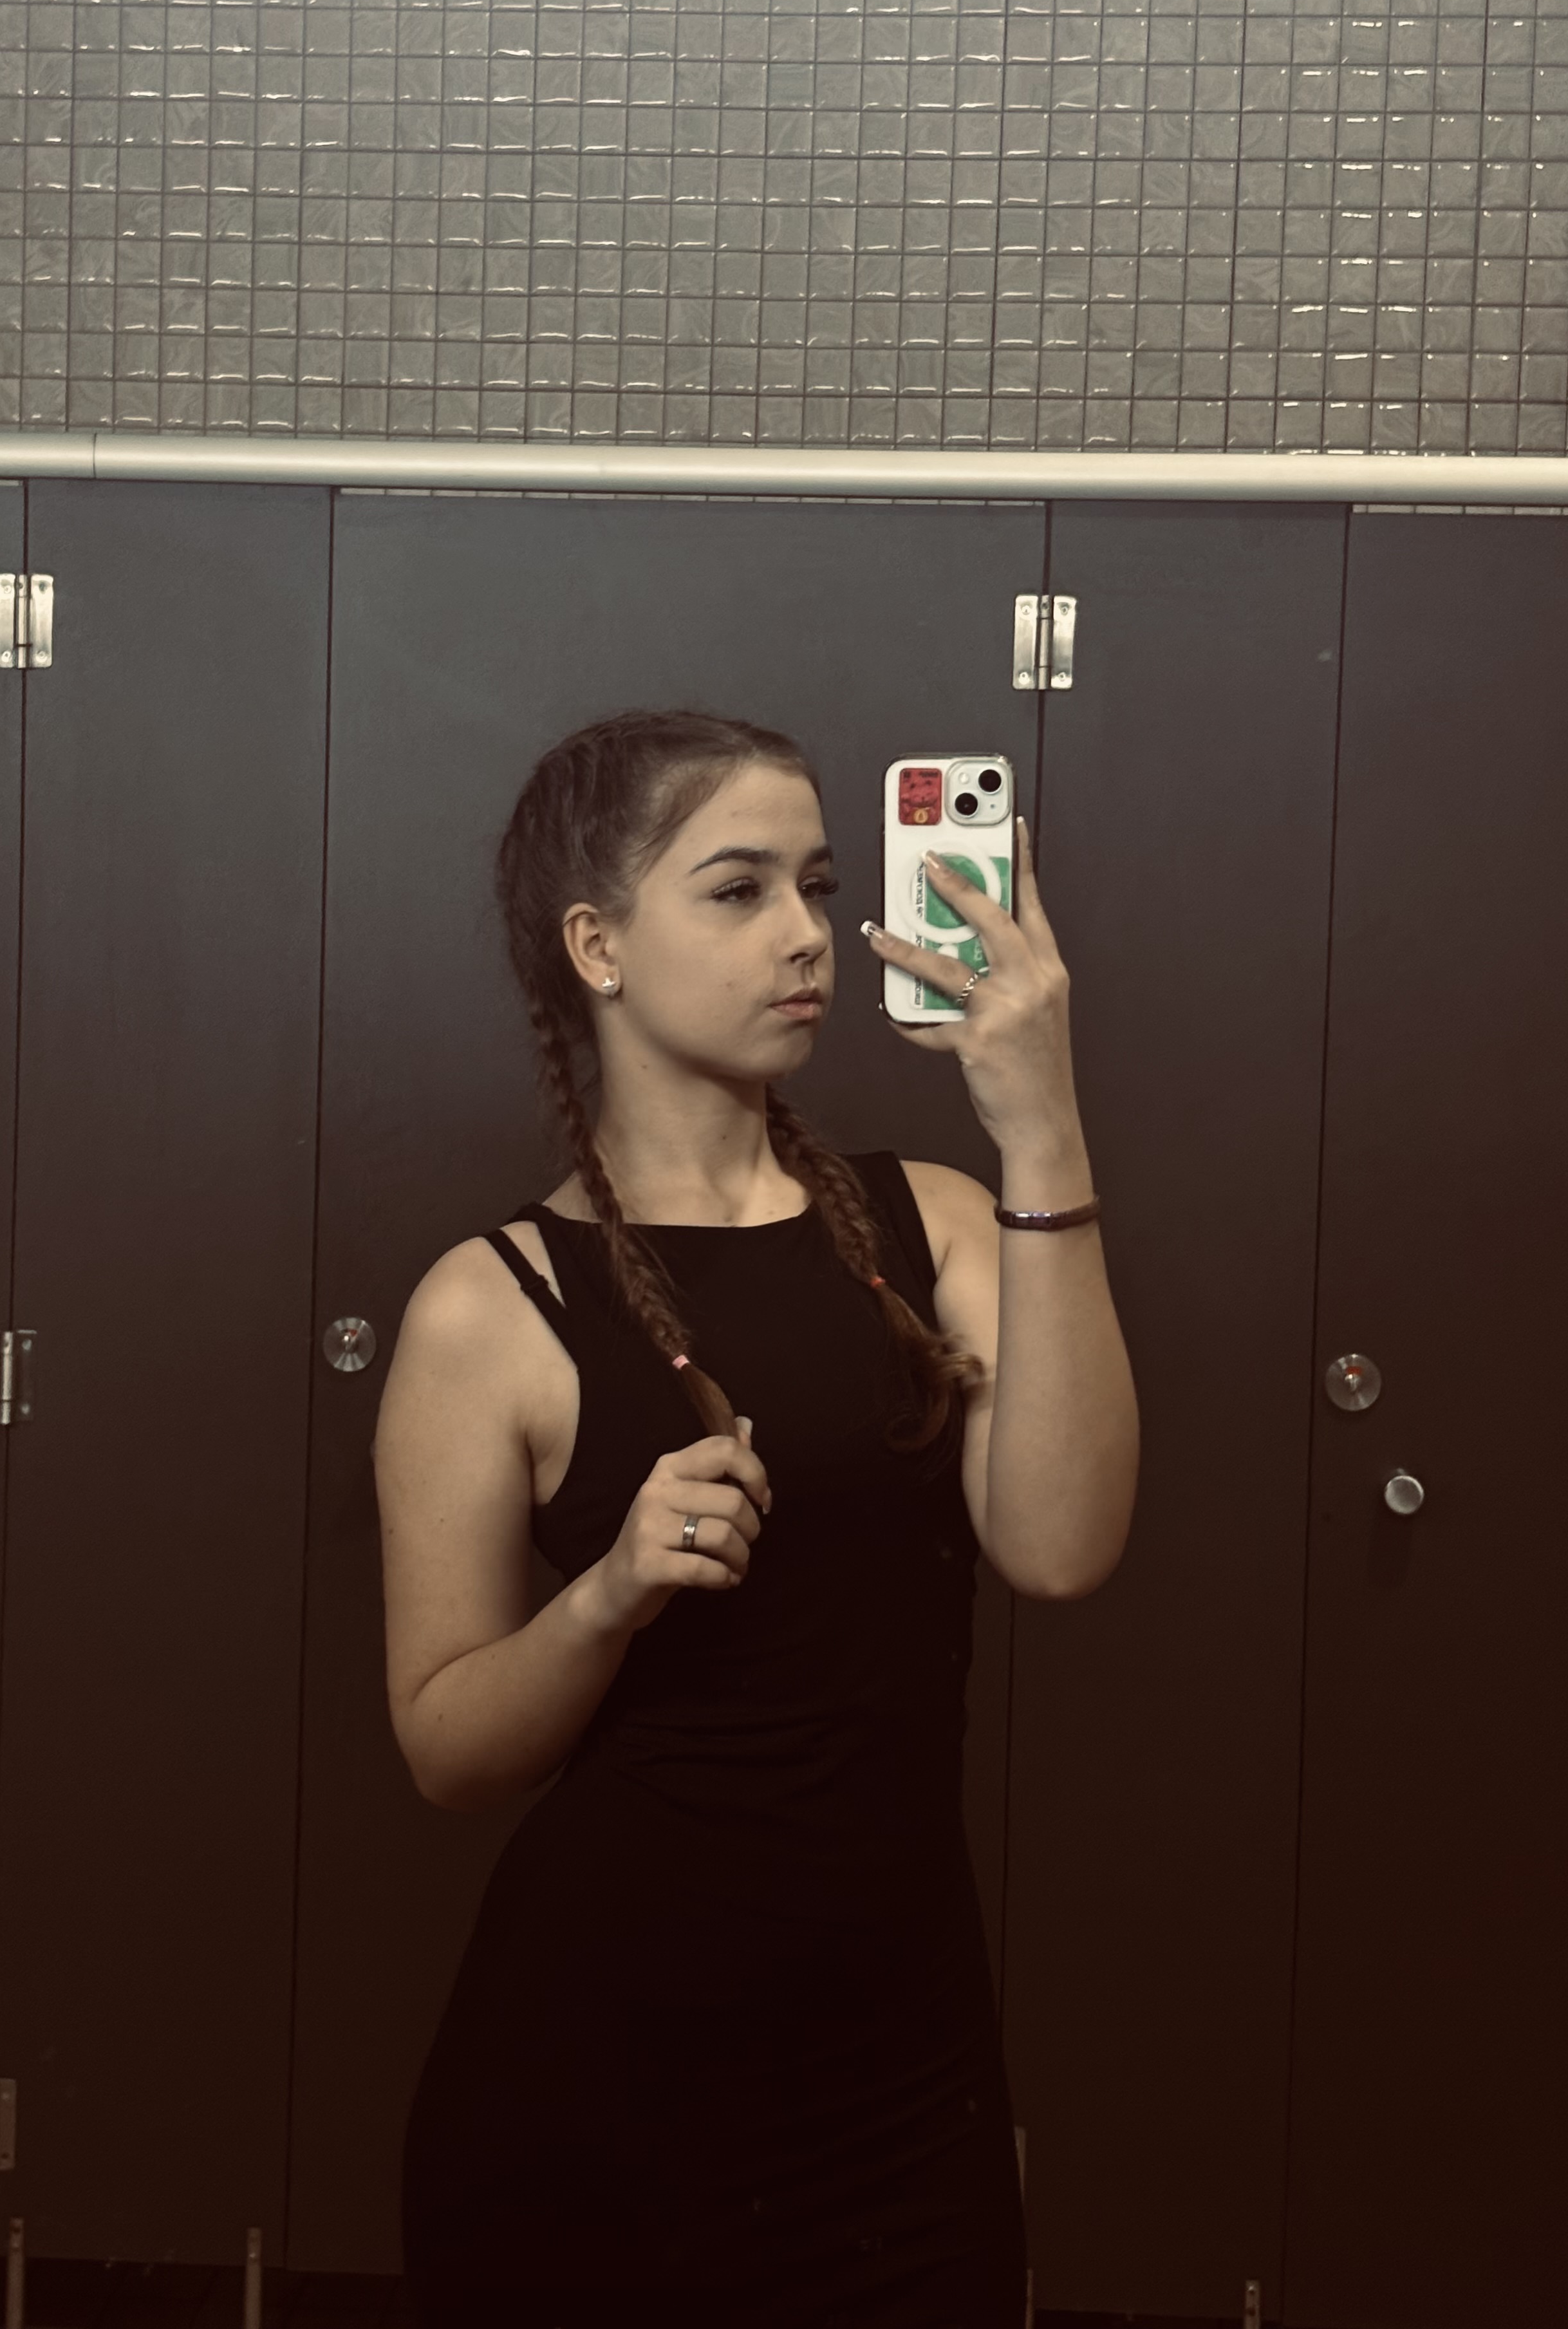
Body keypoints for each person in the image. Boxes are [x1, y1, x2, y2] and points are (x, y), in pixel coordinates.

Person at [377, 709, 1140, 2328]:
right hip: (594, 2094)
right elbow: (447, 1750)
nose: (807, 935)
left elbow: (1063, 1546)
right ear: (597, 946)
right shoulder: (488, 1307)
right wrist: (607, 1594)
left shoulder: (938, 1224)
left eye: (820, 885)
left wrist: (1041, 1124)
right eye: (739, 890)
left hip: (903, 2080)